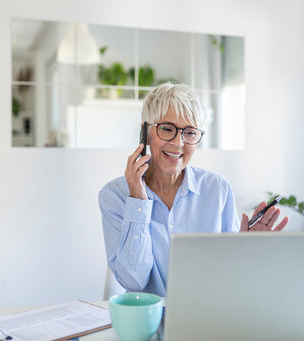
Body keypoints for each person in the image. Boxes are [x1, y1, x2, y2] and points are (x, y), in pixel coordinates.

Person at [99, 83, 288, 297]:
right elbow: (135, 280)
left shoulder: (217, 190)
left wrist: (247, 249)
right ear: (146, 132)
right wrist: (138, 202)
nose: (178, 143)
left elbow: (232, 279)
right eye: (167, 129)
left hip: (209, 318)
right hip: (148, 323)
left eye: (190, 132)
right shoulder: (114, 196)